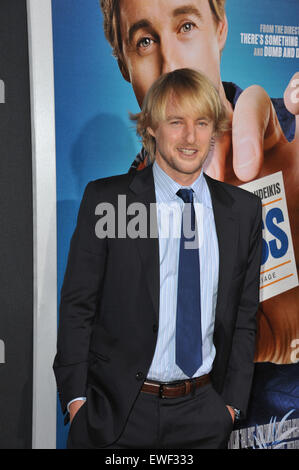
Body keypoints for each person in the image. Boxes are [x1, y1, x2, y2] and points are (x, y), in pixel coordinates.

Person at [53, 68, 262, 449]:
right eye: (176, 122)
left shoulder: (243, 211)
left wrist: (230, 406)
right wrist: (77, 401)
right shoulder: (108, 202)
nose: (190, 137)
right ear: (151, 127)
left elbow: (246, 317)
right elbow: (77, 307)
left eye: (201, 122)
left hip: (205, 415)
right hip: (117, 415)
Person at [98, 0, 299, 366]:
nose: (170, 64)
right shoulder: (123, 215)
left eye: (186, 26)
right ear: (124, 66)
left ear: (220, 27)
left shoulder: (293, 143)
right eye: (144, 41)